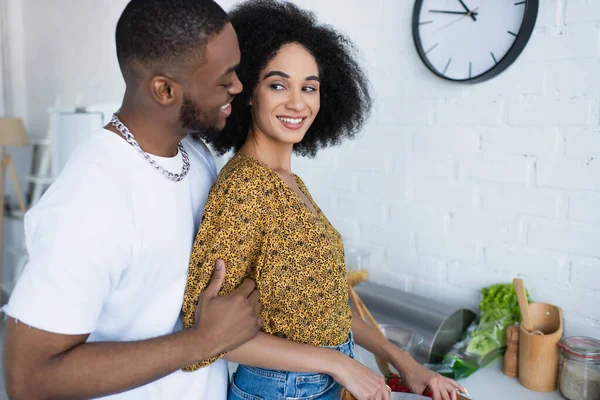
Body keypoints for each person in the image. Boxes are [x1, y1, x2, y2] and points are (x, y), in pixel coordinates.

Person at [182, 1, 467, 400]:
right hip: (282, 390)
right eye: (278, 84)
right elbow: (209, 338)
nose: (298, 103)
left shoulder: (288, 182)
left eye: (309, 87)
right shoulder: (244, 188)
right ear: (248, 91)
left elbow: (326, 307)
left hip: (322, 382)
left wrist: (404, 361)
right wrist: (339, 364)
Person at [2, 1, 262, 399]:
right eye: (224, 78)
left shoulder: (195, 154)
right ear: (165, 90)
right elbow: (29, 379)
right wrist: (202, 341)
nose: (238, 87)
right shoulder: (89, 201)